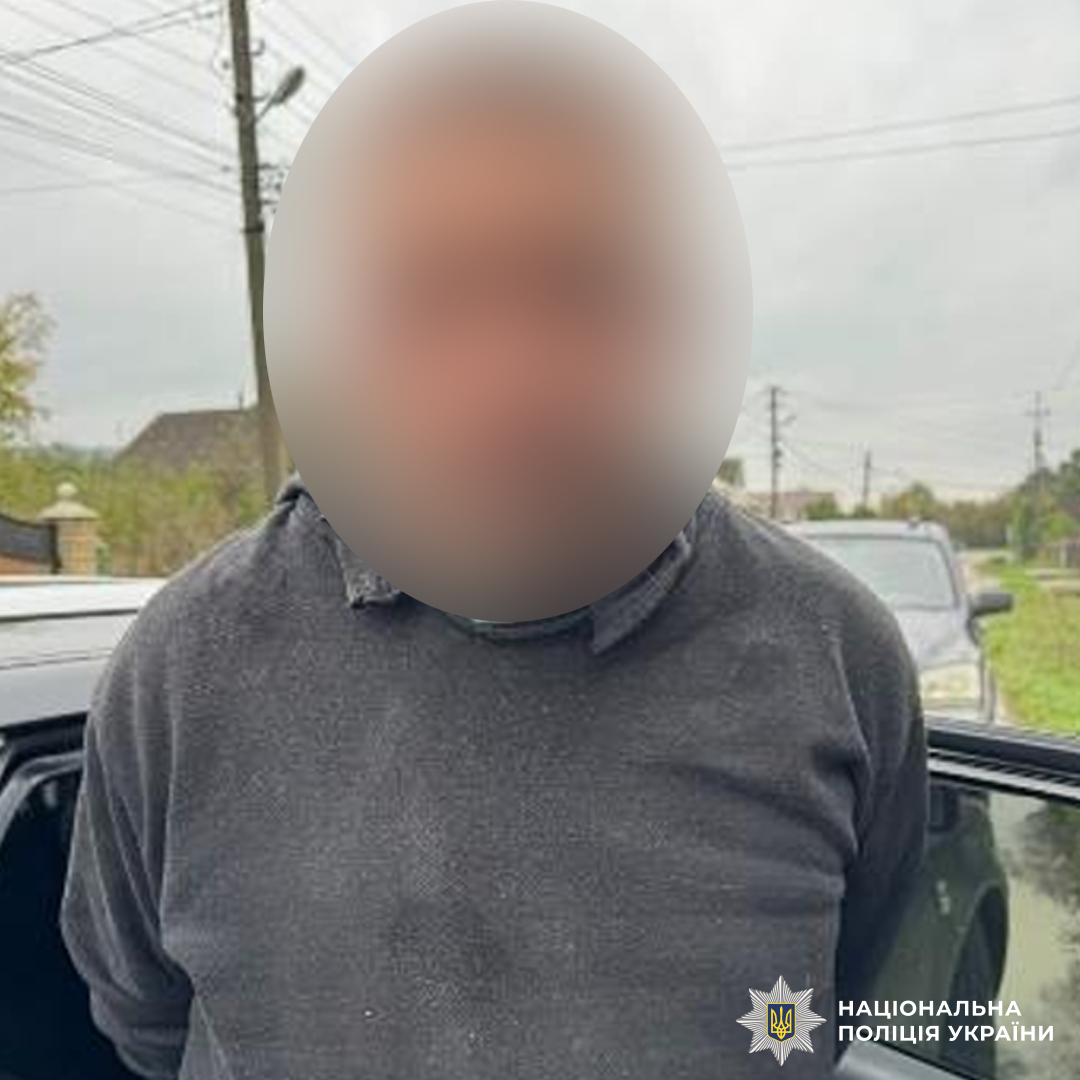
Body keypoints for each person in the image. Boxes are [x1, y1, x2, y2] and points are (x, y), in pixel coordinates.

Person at [60, 6, 927, 1079]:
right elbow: (145, 1021)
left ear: (672, 315)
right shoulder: (184, 668)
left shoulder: (835, 656)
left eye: (582, 285)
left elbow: (826, 1009)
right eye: (431, 295)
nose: (507, 384)